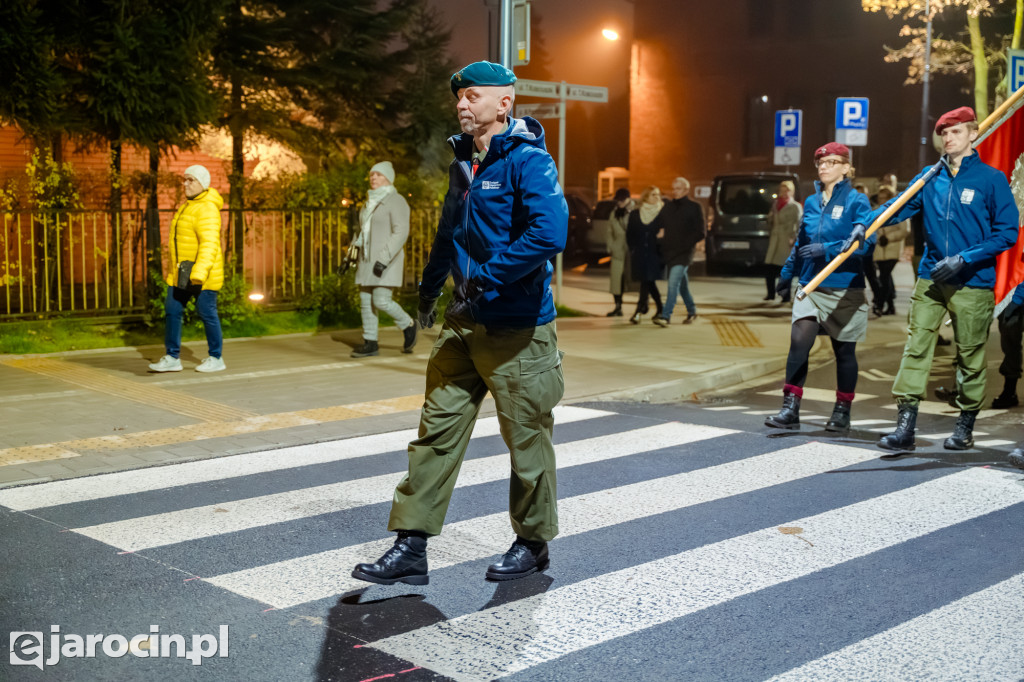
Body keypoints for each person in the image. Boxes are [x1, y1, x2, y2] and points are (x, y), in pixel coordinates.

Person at [351, 61, 568, 586]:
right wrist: (429, 288)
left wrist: (486, 279)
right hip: (462, 324)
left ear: (504, 103)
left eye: (472, 96)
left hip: (517, 329)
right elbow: (448, 234)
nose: (461, 105)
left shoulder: (529, 162)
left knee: (526, 440)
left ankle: (533, 542)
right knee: (436, 434)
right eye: (459, 98)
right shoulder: (463, 165)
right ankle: (411, 545)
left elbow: (550, 233)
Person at [869, 107, 1019, 452]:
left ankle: (965, 425)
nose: (948, 139)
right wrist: (867, 223)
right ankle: (905, 426)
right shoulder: (929, 177)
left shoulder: (991, 179)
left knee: (970, 354)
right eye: (944, 133)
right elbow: (897, 206)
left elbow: (1007, 234)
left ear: (972, 134)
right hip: (931, 277)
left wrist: (964, 258)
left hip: (973, 281)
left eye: (955, 132)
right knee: (916, 346)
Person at [765, 142, 873, 433]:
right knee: (799, 343)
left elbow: (865, 243)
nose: (824, 167)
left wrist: (827, 249)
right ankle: (790, 408)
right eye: (821, 163)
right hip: (811, 286)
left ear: (846, 168)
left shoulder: (857, 201)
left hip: (845, 288)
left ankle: (842, 411)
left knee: (844, 352)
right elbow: (801, 244)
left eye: (832, 162)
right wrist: (787, 275)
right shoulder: (811, 203)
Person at [148, 165, 226, 374]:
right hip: (182, 272)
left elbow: (209, 244)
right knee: (172, 311)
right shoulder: (188, 205)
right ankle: (173, 357)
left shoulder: (207, 208)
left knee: (207, 313)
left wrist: (199, 273)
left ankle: (216, 357)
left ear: (203, 183)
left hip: (203, 274)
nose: (186, 184)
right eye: (185, 180)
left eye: (191, 180)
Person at [349, 161, 417, 358]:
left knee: (381, 300)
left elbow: (401, 232)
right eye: (371, 175)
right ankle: (370, 342)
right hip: (366, 259)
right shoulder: (369, 202)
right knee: (365, 301)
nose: (373, 178)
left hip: (386, 260)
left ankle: (408, 324)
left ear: (388, 177)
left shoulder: (396, 201)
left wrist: (384, 259)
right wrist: (351, 255)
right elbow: (362, 232)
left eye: (378, 175)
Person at [654, 177, 704, 325]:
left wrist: (686, 244)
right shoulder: (668, 207)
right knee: (682, 285)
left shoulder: (694, 207)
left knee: (673, 283)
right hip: (670, 251)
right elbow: (659, 223)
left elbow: (700, 232)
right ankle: (692, 311)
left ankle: (666, 315)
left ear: (686, 190)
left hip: (684, 252)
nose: (675, 192)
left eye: (678, 188)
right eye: (674, 188)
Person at [626, 186, 666, 324]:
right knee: (648, 282)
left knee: (647, 281)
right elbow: (630, 234)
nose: (657, 197)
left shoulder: (662, 213)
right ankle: (660, 309)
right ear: (646, 197)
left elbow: (666, 234)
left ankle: (638, 311)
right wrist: (633, 249)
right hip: (640, 254)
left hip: (655, 254)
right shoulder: (636, 214)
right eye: (653, 194)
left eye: (658, 194)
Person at [871, 186, 911, 316]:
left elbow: (905, 230)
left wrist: (888, 237)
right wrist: (877, 237)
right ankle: (891, 306)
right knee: (886, 277)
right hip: (880, 249)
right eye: (880, 197)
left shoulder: (899, 210)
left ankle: (880, 304)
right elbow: (871, 228)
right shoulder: (876, 210)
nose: (881, 200)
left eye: (884, 198)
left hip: (892, 249)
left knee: (883, 276)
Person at [763, 180, 802, 301]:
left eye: (787, 190)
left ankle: (785, 296)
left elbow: (799, 224)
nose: (784, 193)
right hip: (775, 239)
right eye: (782, 190)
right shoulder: (775, 205)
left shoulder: (795, 206)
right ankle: (770, 294)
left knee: (784, 269)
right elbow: (771, 220)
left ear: (791, 192)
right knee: (769, 268)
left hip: (786, 241)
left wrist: (794, 237)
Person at [605, 188, 633, 316]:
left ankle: (641, 306)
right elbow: (610, 231)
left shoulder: (634, 211)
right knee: (616, 280)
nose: (620, 202)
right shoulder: (614, 212)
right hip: (618, 249)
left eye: (622, 200)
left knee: (634, 280)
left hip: (631, 250)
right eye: (618, 200)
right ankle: (618, 306)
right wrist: (610, 246)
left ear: (628, 199)